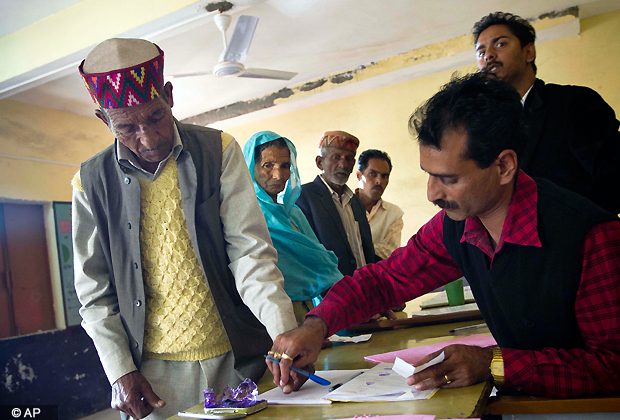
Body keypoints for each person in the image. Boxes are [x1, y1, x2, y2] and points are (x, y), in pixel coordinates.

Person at [266, 73, 620, 398]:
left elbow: (613, 366)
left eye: (448, 178)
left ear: (503, 166)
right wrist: (318, 324)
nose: (432, 193)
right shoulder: (458, 226)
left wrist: (494, 363)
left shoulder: (590, 237)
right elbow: (386, 281)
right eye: (428, 174)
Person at [71, 38, 297, 420]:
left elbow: (250, 253)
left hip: (237, 356)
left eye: (155, 116)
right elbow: (94, 292)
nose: (148, 138)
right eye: (126, 128)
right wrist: (120, 371)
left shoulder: (218, 150)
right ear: (103, 119)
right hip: (152, 376)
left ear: (170, 96)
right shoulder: (88, 183)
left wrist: (283, 336)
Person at [473, 11, 620, 214]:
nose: (488, 55)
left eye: (500, 44)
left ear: (529, 53)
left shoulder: (573, 102)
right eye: (481, 52)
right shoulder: (483, 128)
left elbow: (613, 177)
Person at [242, 131, 342, 325]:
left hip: (310, 311)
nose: (278, 175)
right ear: (249, 166)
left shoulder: (293, 214)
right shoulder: (246, 217)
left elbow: (322, 264)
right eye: (267, 165)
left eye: (285, 166)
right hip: (269, 317)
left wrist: (356, 302)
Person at [296, 131, 375, 277]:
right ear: (320, 162)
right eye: (336, 157)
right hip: (333, 293)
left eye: (349, 159)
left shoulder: (356, 202)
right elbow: (306, 255)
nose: (343, 164)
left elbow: (366, 251)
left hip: (365, 288)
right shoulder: (303, 197)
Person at [355, 149, 404, 260]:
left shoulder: (394, 214)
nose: (379, 181)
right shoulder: (342, 206)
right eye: (372, 174)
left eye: (384, 176)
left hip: (375, 275)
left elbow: (390, 253)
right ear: (359, 175)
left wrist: (353, 247)